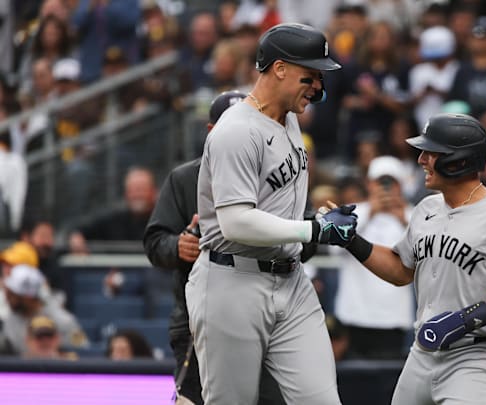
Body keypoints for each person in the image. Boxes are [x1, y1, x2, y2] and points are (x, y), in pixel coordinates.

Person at [185, 23, 357, 405]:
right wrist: (314, 230)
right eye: (310, 76)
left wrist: (319, 221)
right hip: (232, 280)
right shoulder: (236, 131)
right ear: (279, 69)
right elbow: (236, 221)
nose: (318, 88)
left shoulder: (289, 117)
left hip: (291, 281)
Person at [334, 113, 486, 404]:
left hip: (476, 355)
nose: (421, 160)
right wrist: (351, 241)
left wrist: (467, 318)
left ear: (458, 160)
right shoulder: (426, 208)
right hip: (423, 353)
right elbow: (400, 269)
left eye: (431, 153)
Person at [144, 90, 287, 405]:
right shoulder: (184, 179)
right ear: (211, 131)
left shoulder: (275, 175)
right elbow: (155, 242)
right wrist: (179, 246)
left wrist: (284, 237)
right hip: (199, 315)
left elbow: (305, 238)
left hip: (265, 313)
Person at [332, 156, 415, 360]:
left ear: (400, 185)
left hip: (394, 318)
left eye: (391, 182)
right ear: (369, 184)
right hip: (354, 315)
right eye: (380, 181)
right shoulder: (353, 213)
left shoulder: (415, 216)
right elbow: (335, 249)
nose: (385, 188)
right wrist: (370, 212)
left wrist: (403, 219)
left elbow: (426, 254)